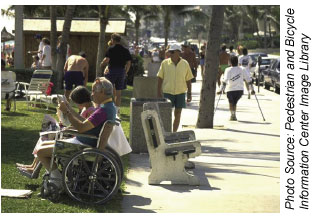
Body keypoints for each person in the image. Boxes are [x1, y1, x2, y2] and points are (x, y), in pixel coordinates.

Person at [35, 78, 116, 185]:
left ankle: (58, 181)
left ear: (102, 92)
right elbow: (85, 121)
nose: (92, 95)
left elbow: (81, 127)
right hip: (85, 141)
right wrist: (69, 109)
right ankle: (56, 176)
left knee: (40, 152)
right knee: (43, 145)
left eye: (93, 91)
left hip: (84, 145)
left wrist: (67, 112)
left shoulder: (102, 111)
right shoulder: (108, 107)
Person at [16, 86, 97, 176]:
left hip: (77, 139)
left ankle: (50, 175)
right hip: (76, 136)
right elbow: (81, 125)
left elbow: (84, 127)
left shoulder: (91, 111)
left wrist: (68, 123)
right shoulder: (87, 109)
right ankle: (34, 168)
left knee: (46, 138)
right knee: (44, 140)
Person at [157, 44, 194, 132]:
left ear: (178, 52)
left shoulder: (185, 63)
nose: (170, 54)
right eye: (170, 52)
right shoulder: (165, 63)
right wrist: (158, 92)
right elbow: (160, 77)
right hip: (167, 92)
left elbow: (188, 79)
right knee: (166, 114)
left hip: (181, 92)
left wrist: (189, 93)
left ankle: (174, 133)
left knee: (178, 113)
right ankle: (166, 132)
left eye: (172, 52)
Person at [100, 33, 132, 116]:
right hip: (121, 71)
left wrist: (102, 64)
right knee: (118, 93)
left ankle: (107, 108)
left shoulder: (110, 48)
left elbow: (107, 59)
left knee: (107, 90)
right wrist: (126, 72)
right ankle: (117, 111)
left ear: (113, 40)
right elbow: (128, 63)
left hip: (111, 71)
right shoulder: (125, 50)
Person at [217, 55, 255, 121]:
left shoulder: (228, 69)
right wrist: (252, 90)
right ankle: (233, 115)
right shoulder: (242, 69)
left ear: (230, 62)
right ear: (237, 62)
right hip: (239, 90)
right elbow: (248, 79)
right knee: (234, 102)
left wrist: (220, 90)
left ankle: (232, 115)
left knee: (231, 102)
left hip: (230, 90)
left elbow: (225, 81)